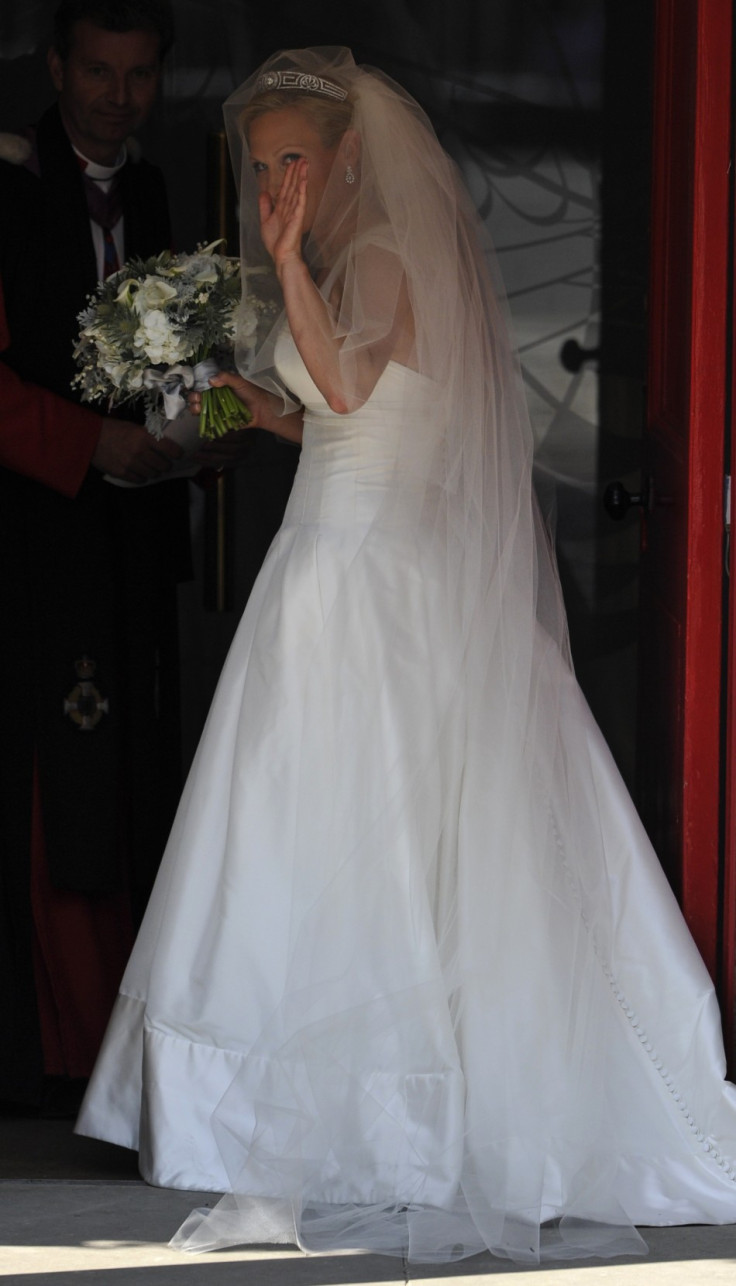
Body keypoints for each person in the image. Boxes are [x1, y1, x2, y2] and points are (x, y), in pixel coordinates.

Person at [76, 47, 736, 1264]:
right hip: (324, 569)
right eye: (257, 161)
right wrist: (205, 401)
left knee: (349, 854)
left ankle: (340, 1154)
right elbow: (311, 410)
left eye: (292, 160)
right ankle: (272, 1158)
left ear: (347, 161)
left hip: (371, 585)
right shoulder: (337, 267)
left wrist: (280, 276)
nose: (272, 182)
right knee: (291, 856)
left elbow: (339, 376)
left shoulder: (378, 258)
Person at [0, 0, 192, 1114]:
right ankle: (60, 1059)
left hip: (129, 541)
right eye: (100, 72)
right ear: (56, 64)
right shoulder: (4, 190)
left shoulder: (161, 195)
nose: (119, 96)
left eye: (139, 75)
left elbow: (195, 384)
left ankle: (127, 1062)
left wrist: (196, 443)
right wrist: (92, 442)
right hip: (30, 543)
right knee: (54, 793)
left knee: (132, 786)